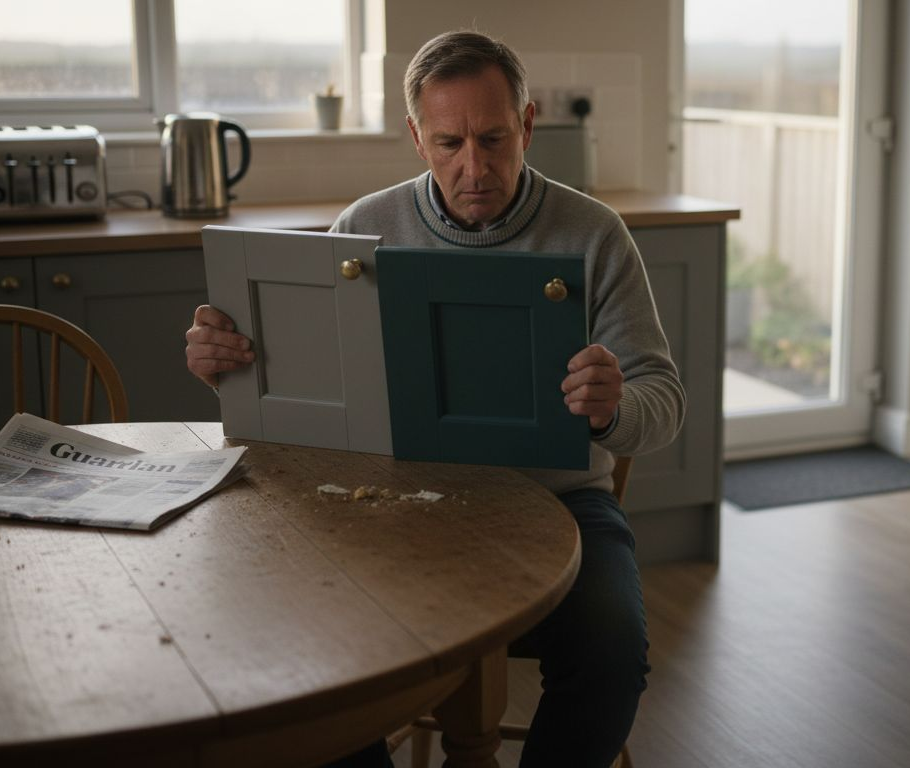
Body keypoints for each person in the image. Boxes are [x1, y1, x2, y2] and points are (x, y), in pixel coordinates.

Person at [184, 30, 685, 768]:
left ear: (529, 123)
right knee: (316, 656)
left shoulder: (595, 234)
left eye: (494, 138)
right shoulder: (364, 227)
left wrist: (614, 407)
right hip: (389, 502)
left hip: (560, 505)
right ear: (416, 136)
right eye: (449, 142)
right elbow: (314, 397)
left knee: (614, 653)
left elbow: (663, 401)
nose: (474, 168)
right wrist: (225, 368)